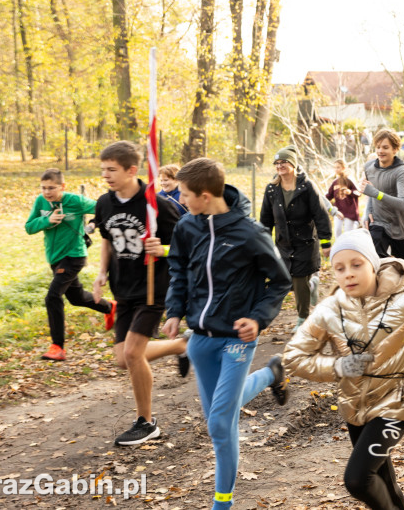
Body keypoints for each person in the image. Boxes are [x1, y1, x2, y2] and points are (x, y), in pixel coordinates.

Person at [283, 229, 404, 510]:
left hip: (399, 399)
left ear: (373, 265)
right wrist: (339, 366)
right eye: (339, 268)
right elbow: (293, 356)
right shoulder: (329, 310)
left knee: (358, 479)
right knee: (382, 478)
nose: (348, 274)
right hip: (355, 406)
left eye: (356, 264)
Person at [162, 158, 292, 510]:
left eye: (185, 194)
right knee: (222, 414)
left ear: (205, 195)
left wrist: (258, 319)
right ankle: (270, 374)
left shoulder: (249, 233)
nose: (181, 199)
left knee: (220, 422)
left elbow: (280, 281)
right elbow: (178, 271)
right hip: (200, 340)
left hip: (237, 339)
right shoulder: (187, 227)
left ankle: (223, 504)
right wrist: (174, 311)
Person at [92, 141, 188, 446]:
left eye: (112, 169)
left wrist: (164, 249)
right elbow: (107, 241)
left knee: (133, 352)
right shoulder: (104, 203)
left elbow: (187, 246)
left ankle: (147, 423)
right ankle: (181, 346)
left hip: (154, 288)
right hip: (125, 290)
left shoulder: (156, 205)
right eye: (103, 169)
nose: (105, 175)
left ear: (132, 170)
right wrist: (101, 273)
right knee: (122, 358)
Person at [26, 168, 116, 361]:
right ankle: (110, 307)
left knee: (52, 296)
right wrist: (46, 220)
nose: (47, 192)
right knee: (76, 298)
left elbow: (102, 208)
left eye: (52, 188)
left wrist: (92, 224)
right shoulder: (41, 202)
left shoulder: (74, 201)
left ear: (62, 186)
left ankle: (57, 346)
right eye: (43, 188)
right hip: (54, 257)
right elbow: (29, 227)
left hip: (74, 255)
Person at [260, 146, 332, 327]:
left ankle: (303, 319)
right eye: (276, 163)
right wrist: (263, 243)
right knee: (286, 281)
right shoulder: (271, 190)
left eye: (283, 162)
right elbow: (265, 219)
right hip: (283, 244)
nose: (280, 165)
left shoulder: (306, 187)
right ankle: (312, 285)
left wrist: (326, 241)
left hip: (305, 242)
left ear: (293, 163)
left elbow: (320, 214)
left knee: (300, 281)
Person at [360, 129, 404, 262]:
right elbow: (371, 194)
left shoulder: (402, 172)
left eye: (385, 147)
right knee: (373, 259)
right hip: (379, 223)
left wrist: (376, 193)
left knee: (403, 270)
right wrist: (367, 212)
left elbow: (403, 205)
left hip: (402, 227)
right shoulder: (369, 167)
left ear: (395, 149)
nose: (380, 151)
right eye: (378, 147)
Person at [327, 159, 361, 238]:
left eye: (338, 167)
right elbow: (329, 195)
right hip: (338, 211)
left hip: (350, 212)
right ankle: (339, 249)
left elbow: (358, 193)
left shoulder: (349, 180)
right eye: (334, 167)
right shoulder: (334, 182)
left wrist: (350, 192)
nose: (336, 169)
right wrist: (320, 200)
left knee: (348, 234)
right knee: (337, 231)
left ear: (343, 168)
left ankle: (349, 249)